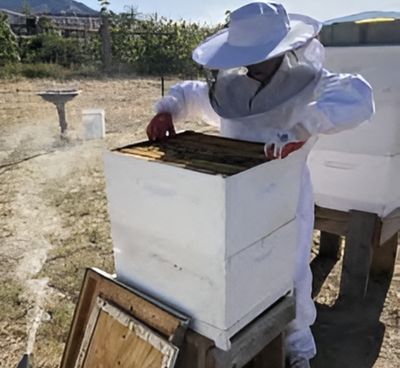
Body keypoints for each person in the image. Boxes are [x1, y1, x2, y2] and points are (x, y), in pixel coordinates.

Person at [146, 2, 374, 367]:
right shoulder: (232, 87)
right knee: (236, 268)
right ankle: (241, 336)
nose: (251, 63)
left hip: (285, 196)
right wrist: (167, 109)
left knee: (291, 270)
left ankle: (299, 348)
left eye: (258, 55)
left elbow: (359, 95)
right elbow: (189, 92)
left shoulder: (307, 83)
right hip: (231, 193)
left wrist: (304, 126)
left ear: (284, 47)